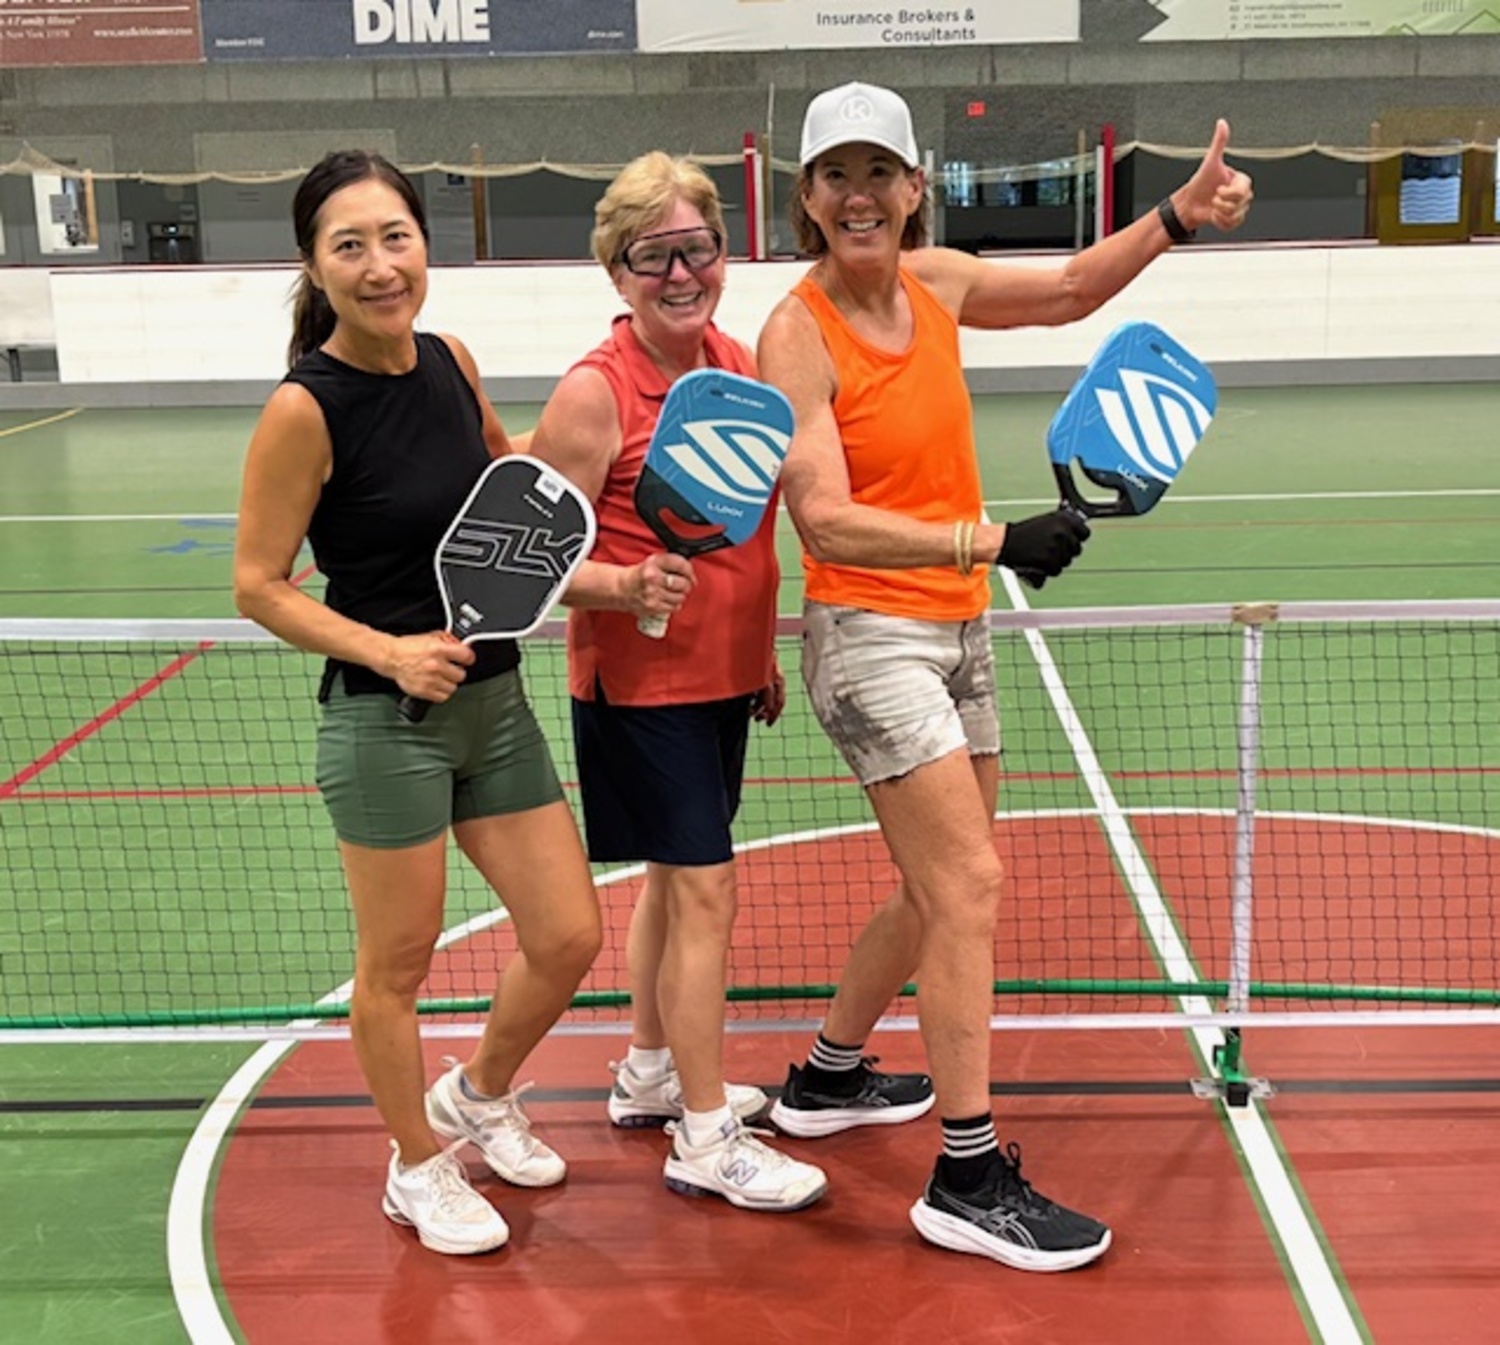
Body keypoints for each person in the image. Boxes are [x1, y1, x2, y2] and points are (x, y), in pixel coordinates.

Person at [757, 83, 1253, 1270]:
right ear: (810, 200)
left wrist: (1175, 217)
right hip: (871, 637)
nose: (860, 194)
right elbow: (822, 520)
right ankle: (967, 1174)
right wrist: (989, 539)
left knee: (943, 885)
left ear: (916, 189)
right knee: (970, 880)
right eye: (837, 175)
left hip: (957, 625)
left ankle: (825, 1077)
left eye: (881, 172)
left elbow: (1074, 289)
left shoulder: (938, 282)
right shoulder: (795, 330)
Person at [232, 150, 602, 1257]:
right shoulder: (307, 407)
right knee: (396, 967)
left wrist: (606, 459)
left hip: (495, 706)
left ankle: (480, 1093)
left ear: (421, 244)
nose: (382, 264)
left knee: (571, 933)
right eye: (351, 245)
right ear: (315, 264)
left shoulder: (449, 360)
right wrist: (389, 652)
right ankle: (416, 1163)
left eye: (396, 236)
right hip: (384, 723)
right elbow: (257, 585)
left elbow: (513, 492)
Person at [527, 151, 827, 1213]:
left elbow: (745, 534)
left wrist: (757, 657)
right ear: (618, 272)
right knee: (705, 890)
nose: (680, 271)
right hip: (639, 683)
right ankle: (706, 1135)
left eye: (697, 248)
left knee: (670, 879)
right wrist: (619, 578)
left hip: (719, 677)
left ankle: (650, 1070)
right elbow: (531, 560)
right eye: (653, 255)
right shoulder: (591, 395)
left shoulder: (738, 369)